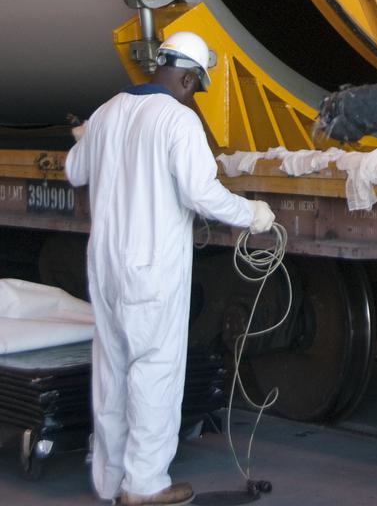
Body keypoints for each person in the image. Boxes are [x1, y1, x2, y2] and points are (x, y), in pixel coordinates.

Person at [66, 30, 276, 506]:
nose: (192, 97)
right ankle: (144, 487)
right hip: (152, 270)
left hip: (105, 268)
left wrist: (88, 138)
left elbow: (74, 171)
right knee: (155, 372)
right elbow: (201, 194)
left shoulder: (106, 112)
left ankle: (107, 479)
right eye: (194, 88)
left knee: (112, 370)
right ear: (186, 78)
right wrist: (253, 215)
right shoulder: (178, 123)